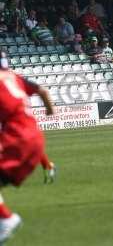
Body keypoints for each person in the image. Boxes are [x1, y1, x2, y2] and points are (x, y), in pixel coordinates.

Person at [0, 52, 56, 243]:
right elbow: (44, 91)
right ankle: (4, 219)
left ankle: (6, 219)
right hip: (35, 138)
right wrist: (50, 110)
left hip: (17, 138)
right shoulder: (13, 77)